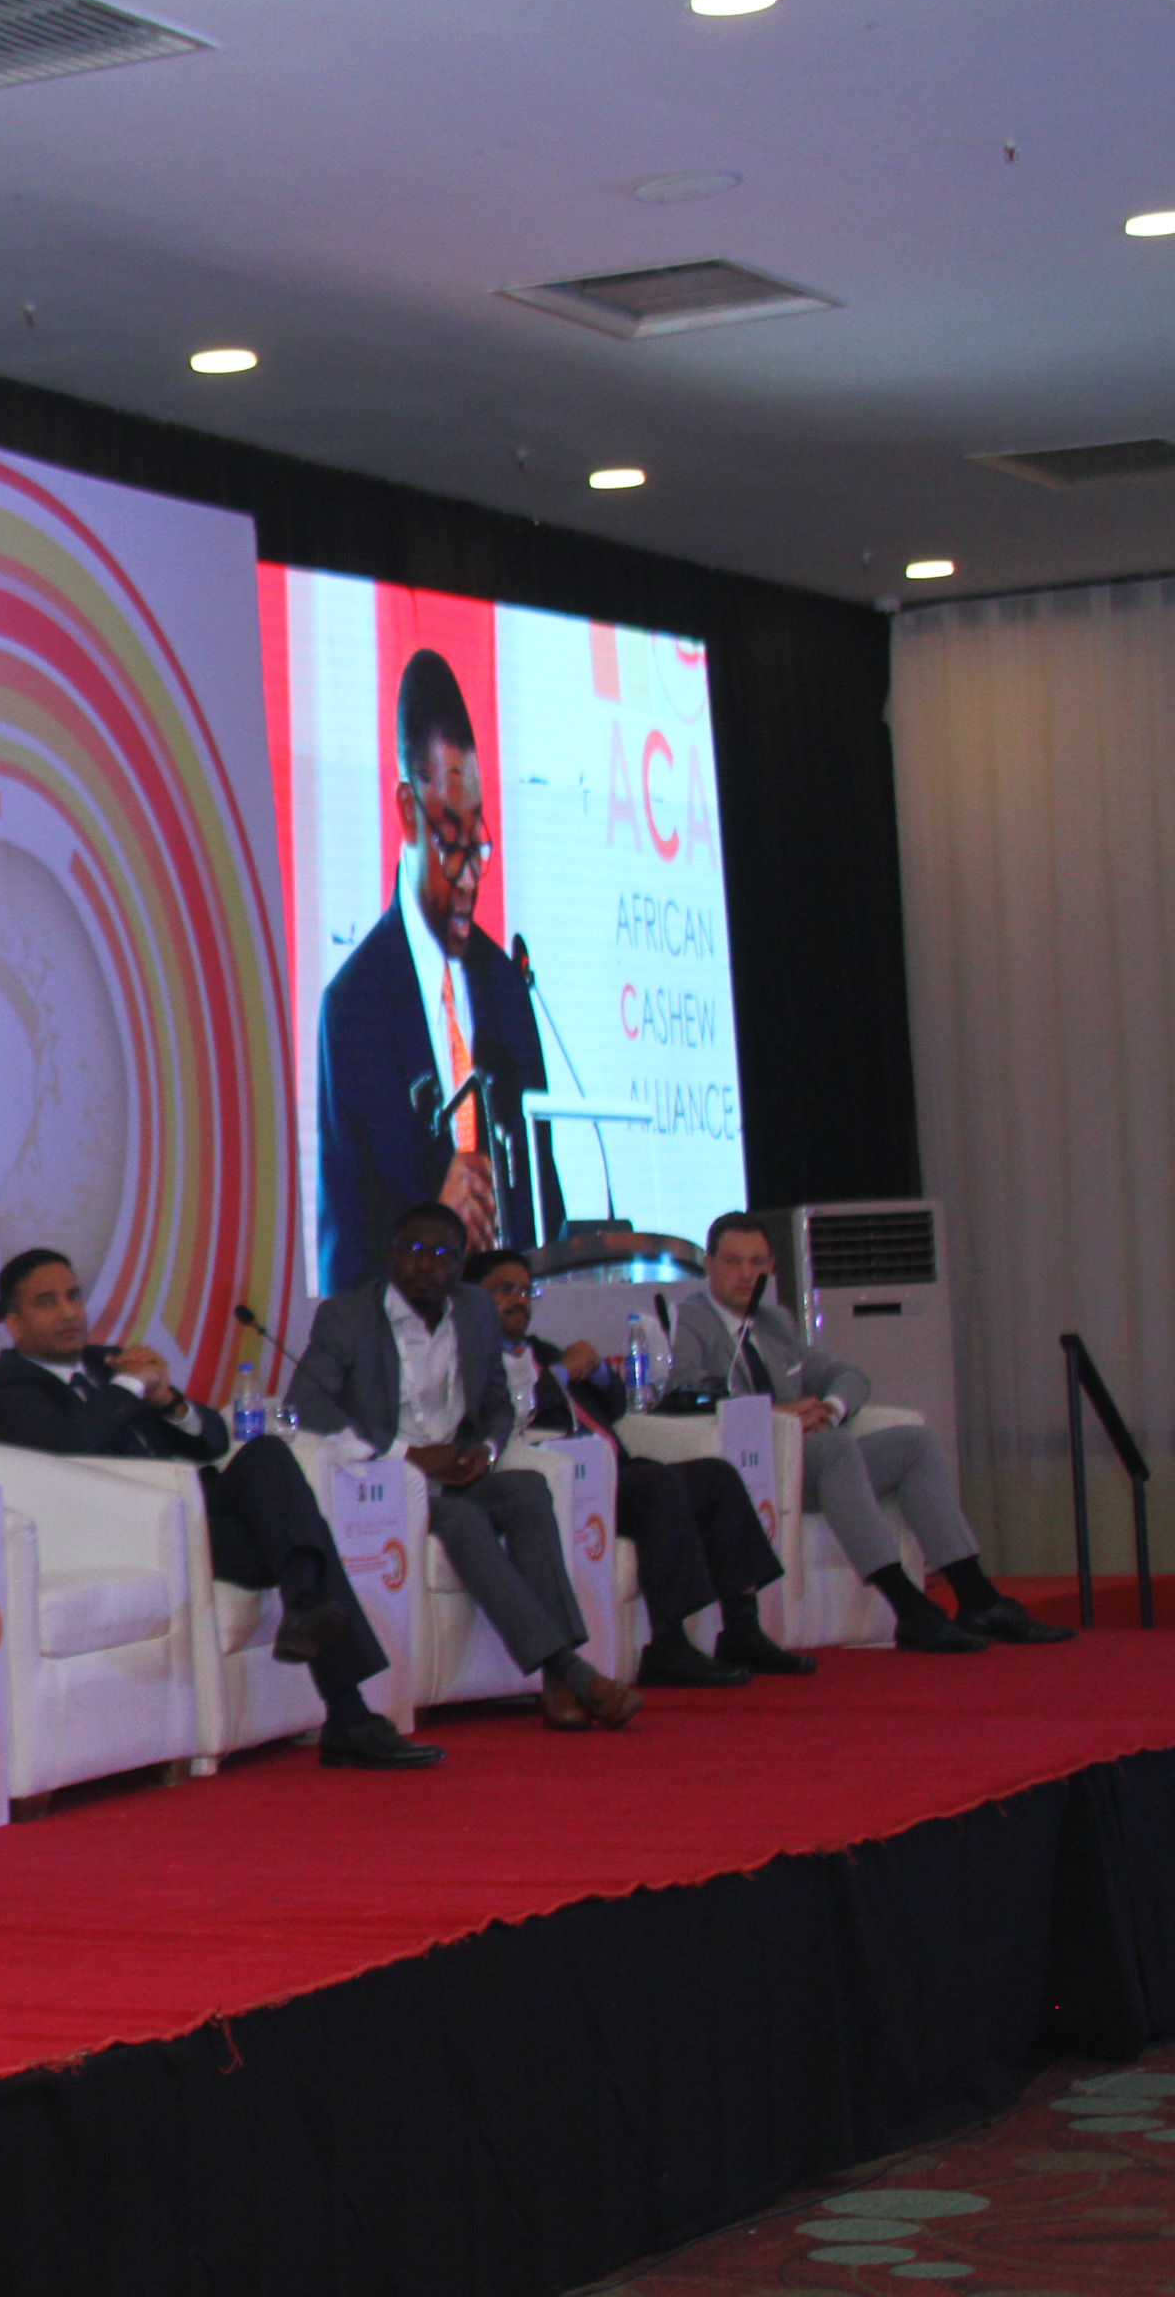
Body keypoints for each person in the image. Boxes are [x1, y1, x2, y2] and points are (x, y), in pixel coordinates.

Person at [0, 1249, 438, 1770]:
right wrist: (130, 1386)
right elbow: (74, 1450)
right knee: (297, 1541)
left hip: (193, 1509)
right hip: (131, 1534)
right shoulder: (13, 1388)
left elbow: (213, 1439)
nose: (69, 1312)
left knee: (267, 1455)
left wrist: (168, 1401)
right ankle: (346, 1704)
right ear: (13, 1323)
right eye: (46, 1303)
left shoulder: (104, 1362)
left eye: (73, 1296)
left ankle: (308, 1607)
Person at [290, 1202, 644, 1731]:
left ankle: (559, 1681)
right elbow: (306, 1403)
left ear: (460, 1264)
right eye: (414, 1251)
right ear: (391, 1255)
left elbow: (498, 1402)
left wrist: (485, 1450)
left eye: (442, 1254)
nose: (426, 1265)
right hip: (392, 1483)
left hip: (459, 1469)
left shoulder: (475, 1309)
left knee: (527, 1489)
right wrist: (407, 1456)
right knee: (463, 1520)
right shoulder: (348, 1316)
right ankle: (569, 1672)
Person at [666, 1214, 1072, 1652]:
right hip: (752, 1466)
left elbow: (849, 1375)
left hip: (810, 1458)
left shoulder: (774, 1322)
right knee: (834, 1447)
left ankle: (978, 1598)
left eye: (756, 1263)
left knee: (913, 1443)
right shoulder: (692, 1319)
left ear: (772, 1267)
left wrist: (830, 1409)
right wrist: (783, 1415)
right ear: (709, 1264)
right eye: (733, 1262)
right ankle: (910, 1609)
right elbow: (686, 1392)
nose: (746, 1275)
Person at [312, 650, 560, 1296]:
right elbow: (344, 1258)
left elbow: (546, 1201)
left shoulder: (506, 987)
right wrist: (432, 1228)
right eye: (452, 842)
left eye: (479, 843)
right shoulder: (355, 1006)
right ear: (406, 810)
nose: (471, 875)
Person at [467, 1248, 809, 1685]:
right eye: (504, 1290)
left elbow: (613, 1408)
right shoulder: (474, 1360)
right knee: (656, 1485)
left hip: (616, 1468)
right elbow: (511, 1412)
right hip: (569, 1479)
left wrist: (599, 1374)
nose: (519, 1301)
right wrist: (562, 1374)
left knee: (715, 1477)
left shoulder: (539, 1350)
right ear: (472, 1298)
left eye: (525, 1291)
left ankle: (742, 1626)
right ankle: (668, 1644)